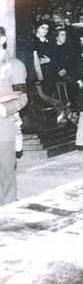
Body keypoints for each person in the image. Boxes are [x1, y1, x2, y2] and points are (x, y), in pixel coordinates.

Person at [0, 27, 28, 206]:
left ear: (2, 40)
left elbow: (23, 97)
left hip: (3, 127)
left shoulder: (15, 65)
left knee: (5, 173)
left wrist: (4, 109)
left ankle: (8, 210)